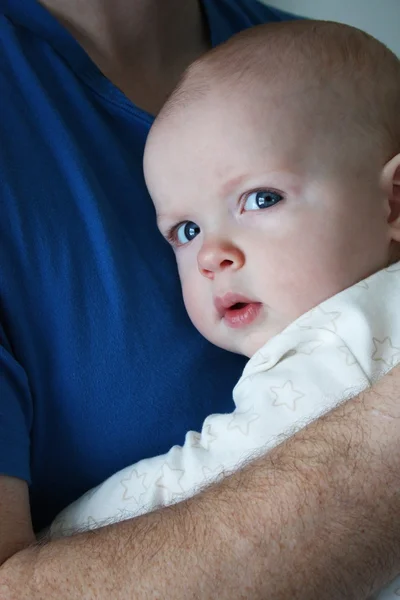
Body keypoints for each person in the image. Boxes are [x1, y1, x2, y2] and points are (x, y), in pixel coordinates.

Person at [0, 2, 399, 599]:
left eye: (262, 199)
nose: (213, 255)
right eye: (185, 233)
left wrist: (64, 534)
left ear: (393, 204)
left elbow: (185, 481)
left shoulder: (334, 347)